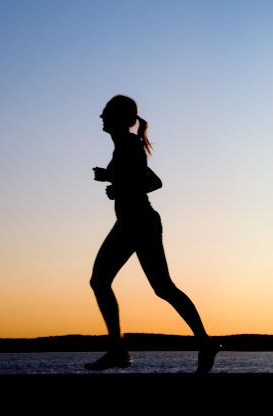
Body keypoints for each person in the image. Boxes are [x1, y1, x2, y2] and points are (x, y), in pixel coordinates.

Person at [86, 95, 219, 373]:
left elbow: (152, 182)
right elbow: (145, 181)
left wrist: (113, 180)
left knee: (101, 281)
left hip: (137, 222)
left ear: (120, 119)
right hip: (137, 221)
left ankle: (118, 351)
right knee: (162, 287)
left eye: (106, 113)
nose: (101, 117)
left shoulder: (129, 145)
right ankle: (205, 343)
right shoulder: (125, 145)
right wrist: (117, 186)